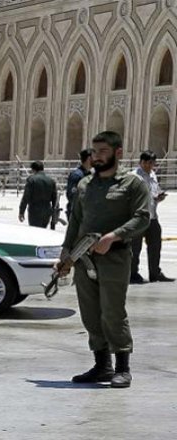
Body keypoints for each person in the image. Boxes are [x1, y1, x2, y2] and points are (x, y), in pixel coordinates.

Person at [56, 131, 150, 389]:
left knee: (113, 312)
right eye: (94, 152)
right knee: (90, 313)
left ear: (118, 153)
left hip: (115, 258)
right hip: (84, 259)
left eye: (103, 152)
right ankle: (102, 365)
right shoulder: (85, 185)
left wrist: (113, 236)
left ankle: (122, 368)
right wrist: (66, 254)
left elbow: (143, 217)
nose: (97, 157)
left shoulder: (132, 185)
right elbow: (75, 222)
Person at [130, 151, 174, 284]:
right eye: (149, 163)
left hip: (152, 216)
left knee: (155, 245)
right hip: (138, 217)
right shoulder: (133, 177)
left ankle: (155, 272)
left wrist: (158, 197)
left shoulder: (153, 175)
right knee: (135, 247)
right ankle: (132, 273)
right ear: (142, 162)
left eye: (153, 163)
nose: (151, 166)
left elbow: (153, 191)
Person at [18, 161, 58, 228]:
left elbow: (26, 197)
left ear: (33, 169)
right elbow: (55, 198)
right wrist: (54, 213)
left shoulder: (31, 180)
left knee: (35, 232)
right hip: (47, 210)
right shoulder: (51, 181)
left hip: (34, 210)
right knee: (43, 231)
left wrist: (21, 212)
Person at [66, 149, 93, 219]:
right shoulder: (77, 175)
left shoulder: (90, 174)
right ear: (89, 159)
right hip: (78, 214)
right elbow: (72, 196)